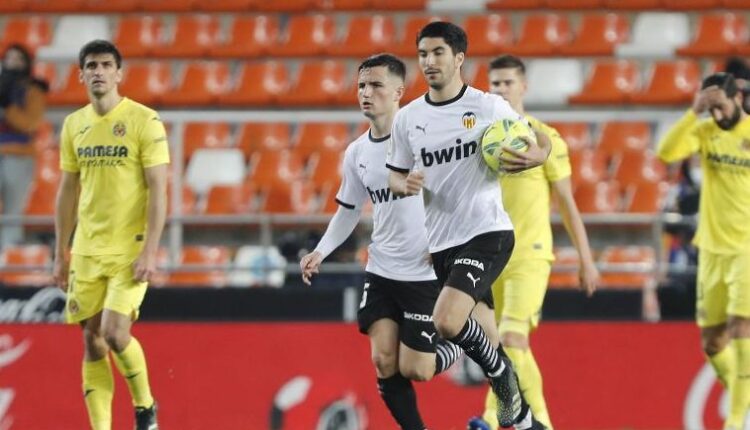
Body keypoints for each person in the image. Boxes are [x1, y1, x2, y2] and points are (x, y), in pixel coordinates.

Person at [386, 22, 550, 430]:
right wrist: (403, 184)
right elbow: (394, 172)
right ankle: (529, 422)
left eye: (438, 52)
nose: (428, 62)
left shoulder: (489, 107)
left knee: (446, 320)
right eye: (423, 54)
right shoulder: (408, 119)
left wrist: (539, 155)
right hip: (443, 244)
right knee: (488, 341)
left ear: (459, 58)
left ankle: (502, 379)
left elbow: (537, 138)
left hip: (488, 233)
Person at [300, 53, 463, 430]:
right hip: (382, 269)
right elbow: (349, 210)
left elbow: (458, 197)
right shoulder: (357, 152)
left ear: (399, 92)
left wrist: (450, 247)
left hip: (425, 272)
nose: (366, 93)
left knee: (417, 369)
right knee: (384, 361)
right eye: (361, 85)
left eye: (376, 86)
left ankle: (465, 339)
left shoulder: (428, 142)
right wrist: (321, 251)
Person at [468, 55, 599, 430]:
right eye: (495, 84)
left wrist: (586, 260)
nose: (501, 89)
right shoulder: (483, 141)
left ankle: (492, 420)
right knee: (501, 347)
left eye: (508, 82)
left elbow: (568, 206)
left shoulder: (546, 139)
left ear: (524, 86)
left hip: (531, 255)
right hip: (491, 258)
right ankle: (541, 421)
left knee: (510, 337)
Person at [53, 40, 168, 430]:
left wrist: (151, 250)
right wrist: (60, 251)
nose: (98, 71)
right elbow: (68, 190)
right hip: (87, 249)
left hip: (129, 249)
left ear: (119, 73)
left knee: (115, 333)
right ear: (80, 75)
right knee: (92, 340)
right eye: (91, 65)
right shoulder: (73, 125)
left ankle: (145, 407)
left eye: (106, 65)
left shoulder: (144, 120)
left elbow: (158, 189)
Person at [657, 72, 750, 430]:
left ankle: (737, 420)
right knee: (712, 342)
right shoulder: (705, 129)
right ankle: (742, 393)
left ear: (737, 99)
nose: (717, 115)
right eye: (711, 109)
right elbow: (667, 152)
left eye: (720, 107)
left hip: (745, 249)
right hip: (711, 249)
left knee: (741, 327)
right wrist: (693, 113)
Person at [0, 43, 48, 249]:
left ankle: (8, 251)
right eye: (9, 59)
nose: (13, 63)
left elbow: (29, 124)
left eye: (18, 59)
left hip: (18, 156)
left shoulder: (33, 90)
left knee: (13, 210)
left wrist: (7, 106)